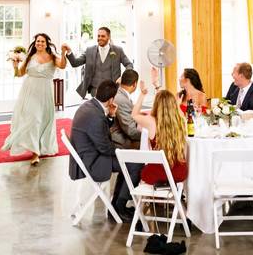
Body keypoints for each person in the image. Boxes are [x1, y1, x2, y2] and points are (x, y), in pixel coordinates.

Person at [67, 80, 140, 221]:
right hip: (94, 162)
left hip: (90, 156)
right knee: (135, 164)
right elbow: (105, 147)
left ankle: (118, 205)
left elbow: (99, 132)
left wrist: (111, 116)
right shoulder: (95, 116)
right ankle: (119, 207)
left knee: (129, 161)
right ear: (111, 99)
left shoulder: (89, 106)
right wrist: (122, 151)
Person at [3, 33, 68, 165]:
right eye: (38, 41)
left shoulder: (53, 56)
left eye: (42, 42)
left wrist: (63, 52)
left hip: (45, 92)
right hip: (29, 92)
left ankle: (38, 149)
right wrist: (15, 65)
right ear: (35, 43)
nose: (40, 44)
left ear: (47, 43)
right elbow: (19, 74)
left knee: (43, 120)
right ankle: (35, 153)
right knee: (34, 120)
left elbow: (62, 65)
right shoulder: (30, 57)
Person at [131, 87, 188, 186]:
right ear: (173, 105)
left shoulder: (150, 121)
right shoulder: (181, 120)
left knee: (143, 171)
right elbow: (179, 114)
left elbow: (134, 115)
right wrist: (177, 105)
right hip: (178, 173)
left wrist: (142, 94)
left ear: (156, 104)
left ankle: (154, 200)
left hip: (156, 174)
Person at [62, 26, 133, 99]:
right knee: (98, 110)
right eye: (98, 36)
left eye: (103, 36)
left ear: (108, 37)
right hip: (95, 90)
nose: (100, 38)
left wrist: (123, 78)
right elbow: (75, 63)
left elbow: (129, 64)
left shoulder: (118, 50)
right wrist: (69, 51)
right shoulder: (89, 50)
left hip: (112, 90)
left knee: (112, 109)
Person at [110, 69, 141, 148]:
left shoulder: (120, 93)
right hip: (119, 140)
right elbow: (131, 132)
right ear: (135, 84)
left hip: (123, 132)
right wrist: (149, 135)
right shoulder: (121, 99)